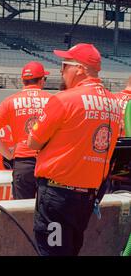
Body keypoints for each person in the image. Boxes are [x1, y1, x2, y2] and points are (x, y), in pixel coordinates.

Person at [27, 43, 121, 256]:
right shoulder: (114, 104)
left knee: (53, 253)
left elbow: (33, 142)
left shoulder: (64, 99)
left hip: (57, 197)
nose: (61, 72)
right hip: (87, 199)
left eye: (64, 66)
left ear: (79, 68)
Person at [0, 61, 52, 199]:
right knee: (46, 211)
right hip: (47, 162)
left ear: (23, 80)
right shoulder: (53, 100)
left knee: (22, 211)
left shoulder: (10, 101)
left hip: (22, 162)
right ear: (41, 80)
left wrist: (8, 155)